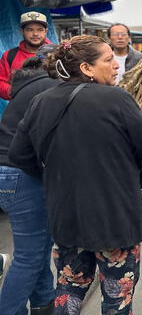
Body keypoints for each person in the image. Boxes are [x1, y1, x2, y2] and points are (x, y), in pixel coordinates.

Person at [8, 35, 142, 315]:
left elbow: (20, 156)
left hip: (68, 216)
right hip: (115, 217)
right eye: (108, 59)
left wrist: (57, 175)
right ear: (87, 68)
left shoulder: (41, 101)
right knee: (117, 297)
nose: (116, 65)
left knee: (68, 291)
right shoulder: (117, 99)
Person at [0, 46, 59, 315]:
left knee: (40, 247)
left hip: (11, 172)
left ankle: (43, 303)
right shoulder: (49, 87)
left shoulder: (31, 83)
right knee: (29, 255)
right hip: (21, 173)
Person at [0, 11, 52, 100]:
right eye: (30, 29)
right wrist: (17, 92)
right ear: (22, 31)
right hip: (21, 109)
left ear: (46, 31)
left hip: (51, 107)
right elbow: (1, 82)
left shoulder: (57, 53)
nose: (35, 34)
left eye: (40, 29)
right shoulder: (9, 55)